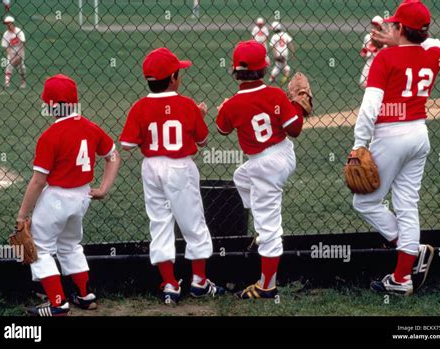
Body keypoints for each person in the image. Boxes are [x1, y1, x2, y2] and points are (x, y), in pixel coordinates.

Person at [350, 1, 440, 295]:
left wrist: (358, 145)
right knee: (406, 205)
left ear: (401, 28)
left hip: (390, 135)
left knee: (364, 202)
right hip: (419, 134)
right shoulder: (433, 54)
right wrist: (405, 36)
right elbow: (435, 40)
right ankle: (402, 278)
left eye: (395, 25)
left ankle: (411, 252)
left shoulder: (385, 58)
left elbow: (369, 109)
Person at [119, 48, 225, 304]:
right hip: (180, 168)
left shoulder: (140, 106)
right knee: (193, 223)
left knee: (160, 222)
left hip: (151, 168)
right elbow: (202, 140)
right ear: (173, 78)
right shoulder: (186, 104)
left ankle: (169, 284)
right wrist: (197, 116)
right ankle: (199, 282)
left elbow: (127, 145)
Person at [17, 74, 121, 316]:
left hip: (56, 198)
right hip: (82, 196)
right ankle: (85, 295)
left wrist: (22, 215)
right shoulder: (91, 127)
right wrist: (104, 188)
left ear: (52, 106)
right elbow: (113, 155)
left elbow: (38, 181)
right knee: (70, 245)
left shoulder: (50, 136)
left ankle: (57, 303)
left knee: (40, 248)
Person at [216, 41, 310, 299]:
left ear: (234, 72)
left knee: (271, 230)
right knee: (240, 176)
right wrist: (298, 107)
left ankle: (267, 286)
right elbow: (295, 130)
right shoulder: (276, 95)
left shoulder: (232, 104)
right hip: (282, 153)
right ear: (264, 68)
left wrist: (225, 107)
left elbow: (222, 129)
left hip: (264, 165)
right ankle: (261, 228)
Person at [1, 16, 26, 88]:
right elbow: (7, 47)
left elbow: (22, 44)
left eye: (9, 23)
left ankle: (23, 82)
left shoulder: (19, 31)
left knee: (22, 67)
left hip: (20, 51)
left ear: (12, 23)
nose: (7, 25)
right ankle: (7, 82)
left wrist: (19, 56)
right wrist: (11, 56)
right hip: (11, 52)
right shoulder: (6, 34)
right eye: (6, 24)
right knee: (9, 65)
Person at [359, 16, 384, 88]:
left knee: (378, 83)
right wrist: (367, 49)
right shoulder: (367, 37)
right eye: (372, 25)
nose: (373, 27)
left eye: (376, 25)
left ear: (380, 27)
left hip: (380, 62)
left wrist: (377, 46)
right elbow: (363, 54)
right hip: (370, 60)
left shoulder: (384, 37)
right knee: (363, 82)